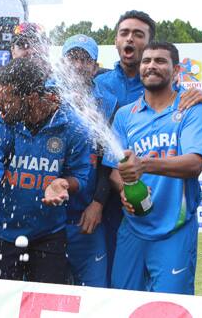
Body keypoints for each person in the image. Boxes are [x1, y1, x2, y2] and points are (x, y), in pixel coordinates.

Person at [0, 57, 91, 289]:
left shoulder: (72, 126)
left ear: (31, 98)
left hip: (48, 235)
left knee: (45, 305)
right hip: (0, 233)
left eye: (5, 99)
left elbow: (81, 175)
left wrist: (64, 183)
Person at [104, 41, 202, 294]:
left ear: (176, 71)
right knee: (122, 305)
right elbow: (113, 170)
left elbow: (195, 163)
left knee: (169, 309)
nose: (151, 65)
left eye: (160, 61)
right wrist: (123, 189)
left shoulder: (191, 109)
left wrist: (144, 165)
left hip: (175, 227)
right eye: (146, 61)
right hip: (132, 226)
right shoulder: (124, 115)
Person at [61, 34, 117, 287]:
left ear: (95, 67)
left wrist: (98, 203)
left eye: (85, 59)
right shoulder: (46, 94)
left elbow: (109, 160)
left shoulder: (108, 101)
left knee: (95, 292)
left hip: (88, 214)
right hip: (51, 218)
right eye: (72, 58)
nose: (78, 65)